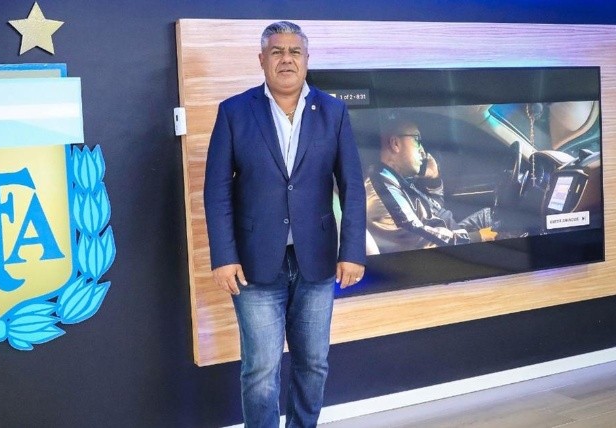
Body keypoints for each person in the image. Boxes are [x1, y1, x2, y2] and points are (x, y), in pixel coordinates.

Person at [203, 21, 367, 427]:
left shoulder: (333, 112)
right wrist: (223, 257)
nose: (286, 59)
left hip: (317, 261)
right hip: (254, 263)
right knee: (260, 370)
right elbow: (217, 190)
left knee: (314, 363)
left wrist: (352, 252)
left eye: (295, 51)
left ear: (307, 60)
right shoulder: (234, 112)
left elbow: (352, 186)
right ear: (262, 60)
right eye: (277, 51)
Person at [365, 117, 496, 254]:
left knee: (490, 216)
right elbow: (419, 238)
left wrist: (434, 180)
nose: (423, 152)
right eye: (417, 140)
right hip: (448, 249)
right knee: (498, 225)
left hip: (451, 235)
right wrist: (477, 237)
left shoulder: (397, 180)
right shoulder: (381, 187)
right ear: (395, 143)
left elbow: (435, 213)